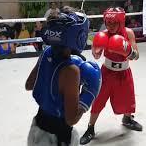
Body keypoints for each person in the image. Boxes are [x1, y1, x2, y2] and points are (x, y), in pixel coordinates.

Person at [25, 8, 102, 146]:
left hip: (37, 128)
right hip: (57, 138)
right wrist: (89, 95)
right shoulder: (71, 71)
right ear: (78, 35)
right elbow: (71, 119)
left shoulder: (46, 53)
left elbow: (29, 85)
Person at [80, 7, 142, 145]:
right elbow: (96, 56)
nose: (110, 26)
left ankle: (127, 119)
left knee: (127, 99)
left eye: (114, 23)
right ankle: (90, 128)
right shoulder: (103, 35)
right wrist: (96, 49)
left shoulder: (129, 33)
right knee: (98, 100)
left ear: (121, 22)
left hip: (124, 72)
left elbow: (136, 56)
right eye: (108, 23)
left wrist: (128, 50)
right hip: (106, 72)